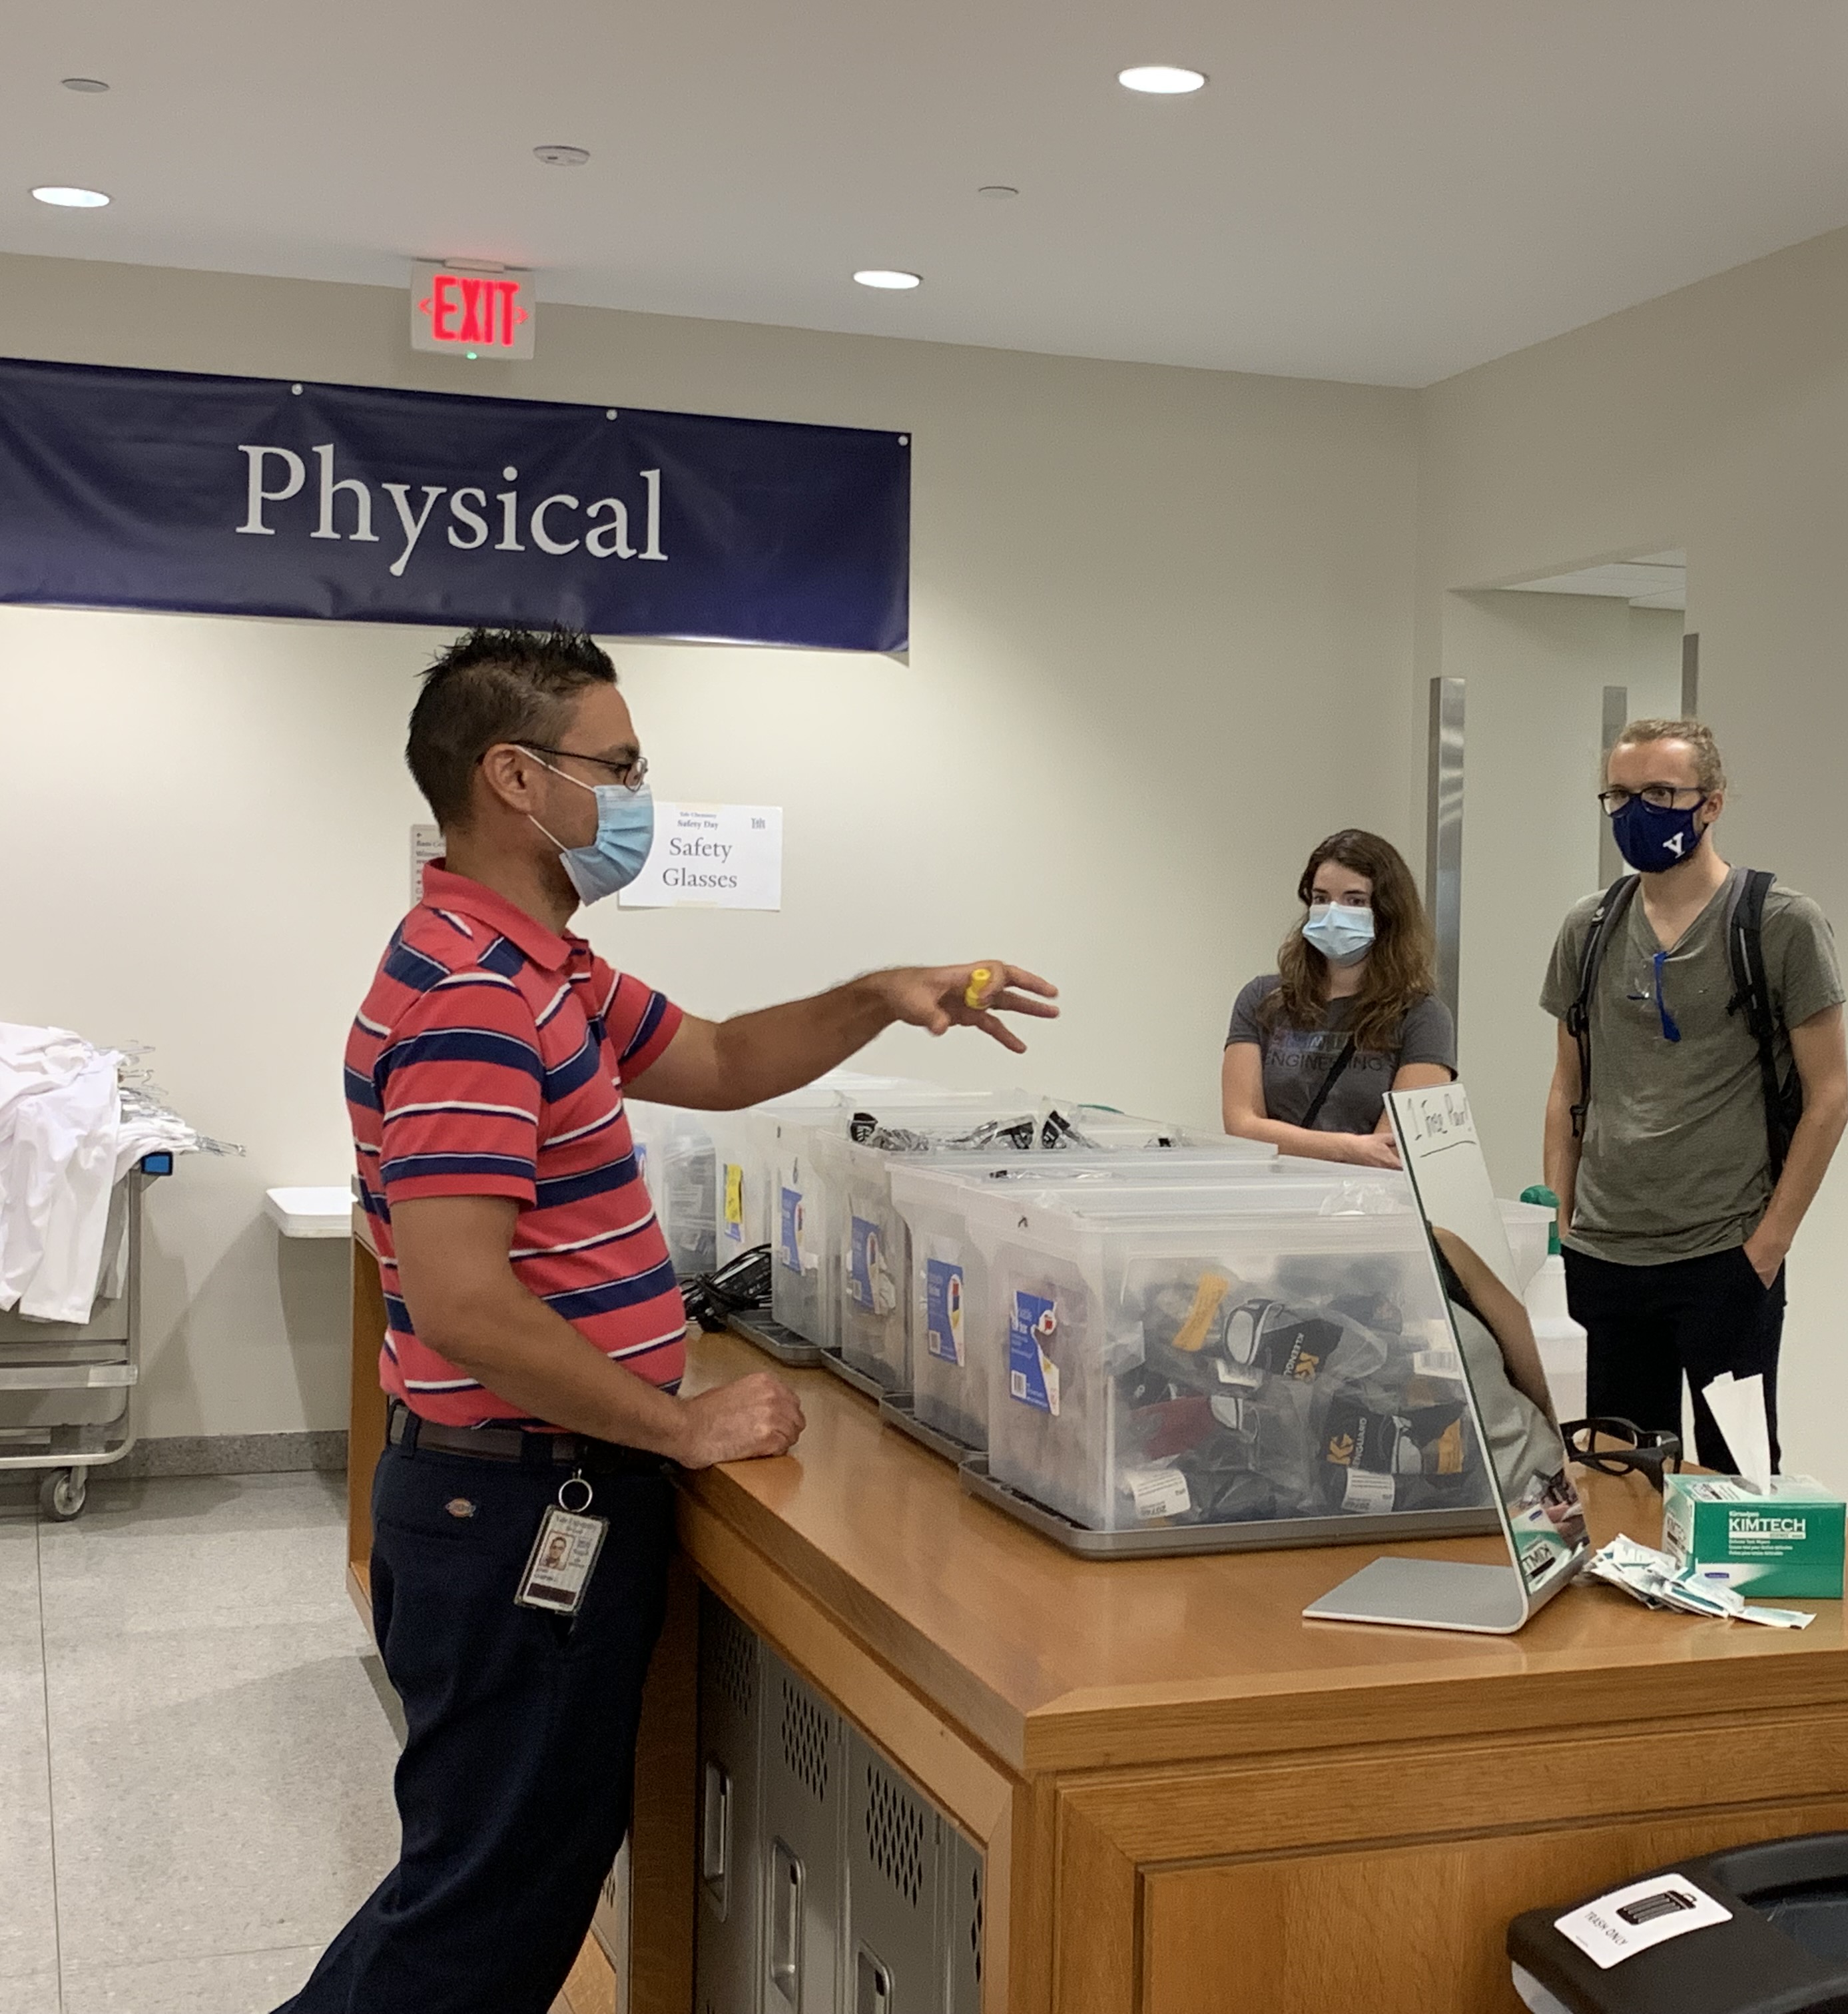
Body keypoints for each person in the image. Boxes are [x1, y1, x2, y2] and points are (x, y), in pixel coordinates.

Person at [284, 627, 1056, 2014]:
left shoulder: (544, 968)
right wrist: (679, 1423)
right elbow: (465, 1303)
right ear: (517, 779)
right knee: (480, 1920)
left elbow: (718, 1056)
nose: (643, 794)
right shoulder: (475, 995)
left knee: (481, 1884)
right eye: (621, 766)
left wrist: (881, 995)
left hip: (520, 1497)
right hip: (511, 1507)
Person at [1538, 717, 1848, 1474]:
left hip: (1724, 1256)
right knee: (1617, 1475)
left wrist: (1768, 1247)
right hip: (1605, 1258)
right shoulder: (1590, 926)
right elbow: (1566, 1087)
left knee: (1736, 1480)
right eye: (1619, 794)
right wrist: (1562, 1224)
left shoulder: (1778, 924)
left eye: (1660, 792)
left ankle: (1736, 1600)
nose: (1637, 810)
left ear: (1710, 804)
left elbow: (1830, 1096)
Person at [1223, 828, 1456, 1168]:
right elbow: (1241, 1127)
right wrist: (1347, 1148)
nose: (1334, 912)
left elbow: (1390, 1153)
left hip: (1365, 1210)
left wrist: (1282, 1140)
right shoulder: (1262, 999)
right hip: (1272, 1200)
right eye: (1321, 898)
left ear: (1387, 912)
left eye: (1355, 900)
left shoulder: (1423, 1017)